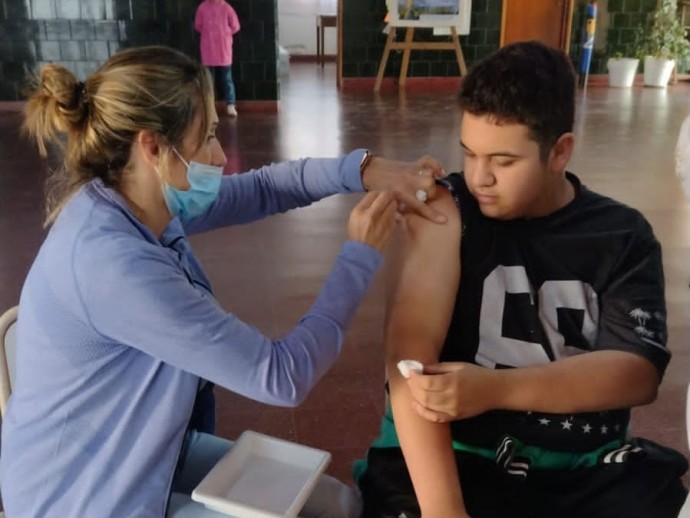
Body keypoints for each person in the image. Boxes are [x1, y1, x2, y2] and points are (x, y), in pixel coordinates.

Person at [0, 45, 447, 518]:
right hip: (83, 496)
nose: (219, 155)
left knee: (337, 504)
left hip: (146, 449)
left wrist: (366, 169)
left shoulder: (132, 200)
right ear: (152, 147)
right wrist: (359, 256)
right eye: (207, 136)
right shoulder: (112, 264)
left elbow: (265, 187)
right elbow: (282, 377)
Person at [356, 41, 689, 518]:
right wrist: (445, 514)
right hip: (463, 457)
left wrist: (493, 389)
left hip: (583, 464)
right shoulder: (448, 213)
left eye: (503, 161)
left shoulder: (623, 235)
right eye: (469, 153)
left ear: (559, 152)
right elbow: (408, 365)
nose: (479, 177)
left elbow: (637, 373)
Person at [194, 0, 241, 117]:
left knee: (227, 79)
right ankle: (209, 106)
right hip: (209, 49)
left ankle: (231, 105)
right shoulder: (202, 8)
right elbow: (198, 25)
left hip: (223, 49)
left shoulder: (226, 8)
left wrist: (224, 33)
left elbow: (235, 26)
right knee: (209, 80)